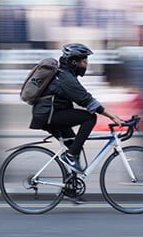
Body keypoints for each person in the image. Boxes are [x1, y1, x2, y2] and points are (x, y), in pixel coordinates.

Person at [29, 43, 124, 173]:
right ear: (74, 62)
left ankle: (70, 184)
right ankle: (70, 156)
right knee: (90, 117)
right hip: (49, 116)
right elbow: (86, 100)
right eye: (84, 60)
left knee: (75, 145)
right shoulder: (65, 78)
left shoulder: (66, 74)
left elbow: (83, 98)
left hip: (52, 114)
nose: (86, 64)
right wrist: (113, 116)